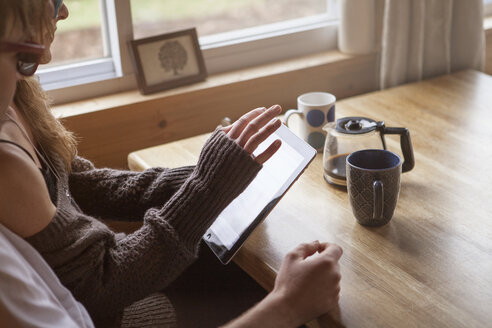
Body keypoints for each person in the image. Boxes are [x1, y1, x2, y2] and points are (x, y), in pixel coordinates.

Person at [0, 0, 343, 327]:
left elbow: (78, 186)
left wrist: (210, 176)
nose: (64, 10)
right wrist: (207, 185)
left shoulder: (17, 93)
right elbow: (104, 282)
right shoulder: (7, 166)